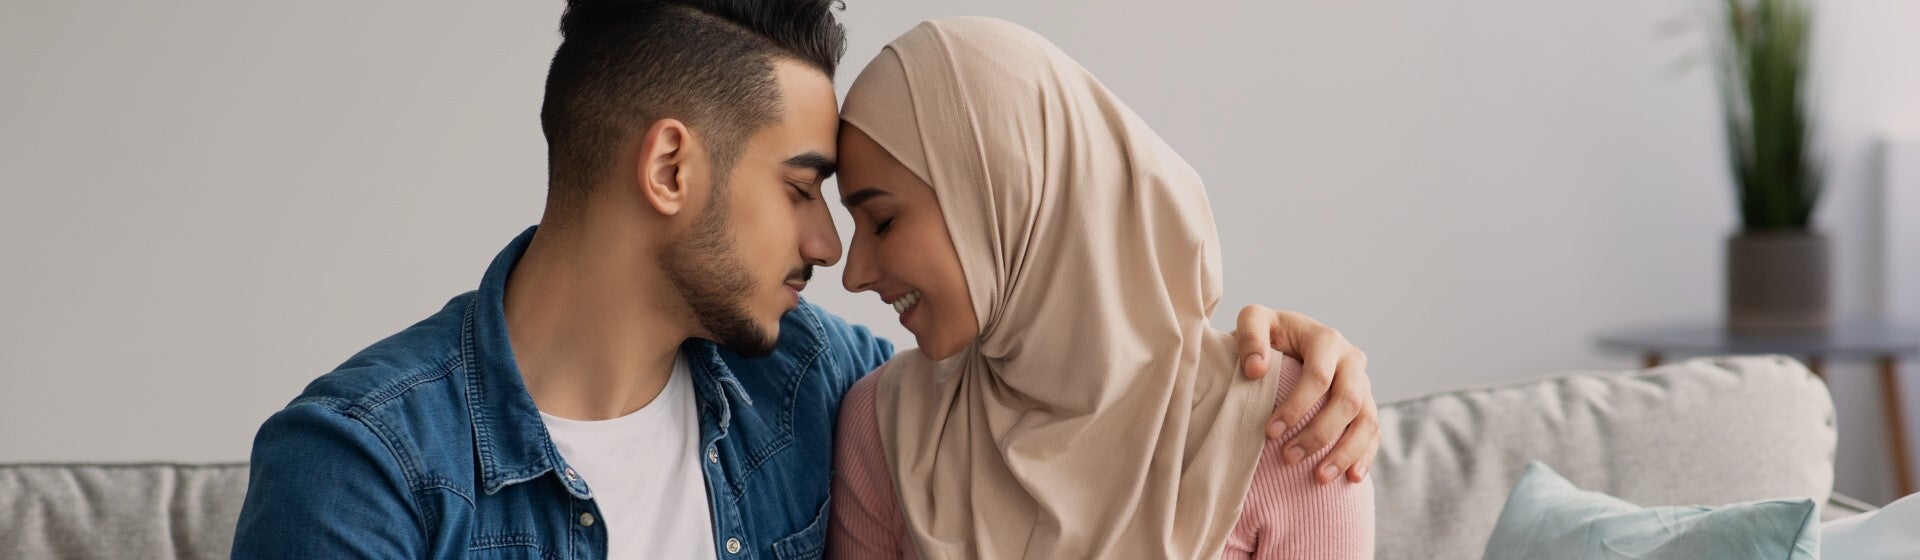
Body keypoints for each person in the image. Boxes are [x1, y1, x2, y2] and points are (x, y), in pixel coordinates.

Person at [231, 2, 1378, 558]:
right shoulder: (364, 470)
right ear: (671, 164)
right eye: (802, 185)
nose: (833, 248)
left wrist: (1310, 366)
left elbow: (1060, 379)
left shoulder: (820, 390)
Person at [827, 17, 1375, 559]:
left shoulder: (1297, 425)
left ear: (1005, 193)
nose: (853, 275)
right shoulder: (882, 429)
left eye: (882, 221)